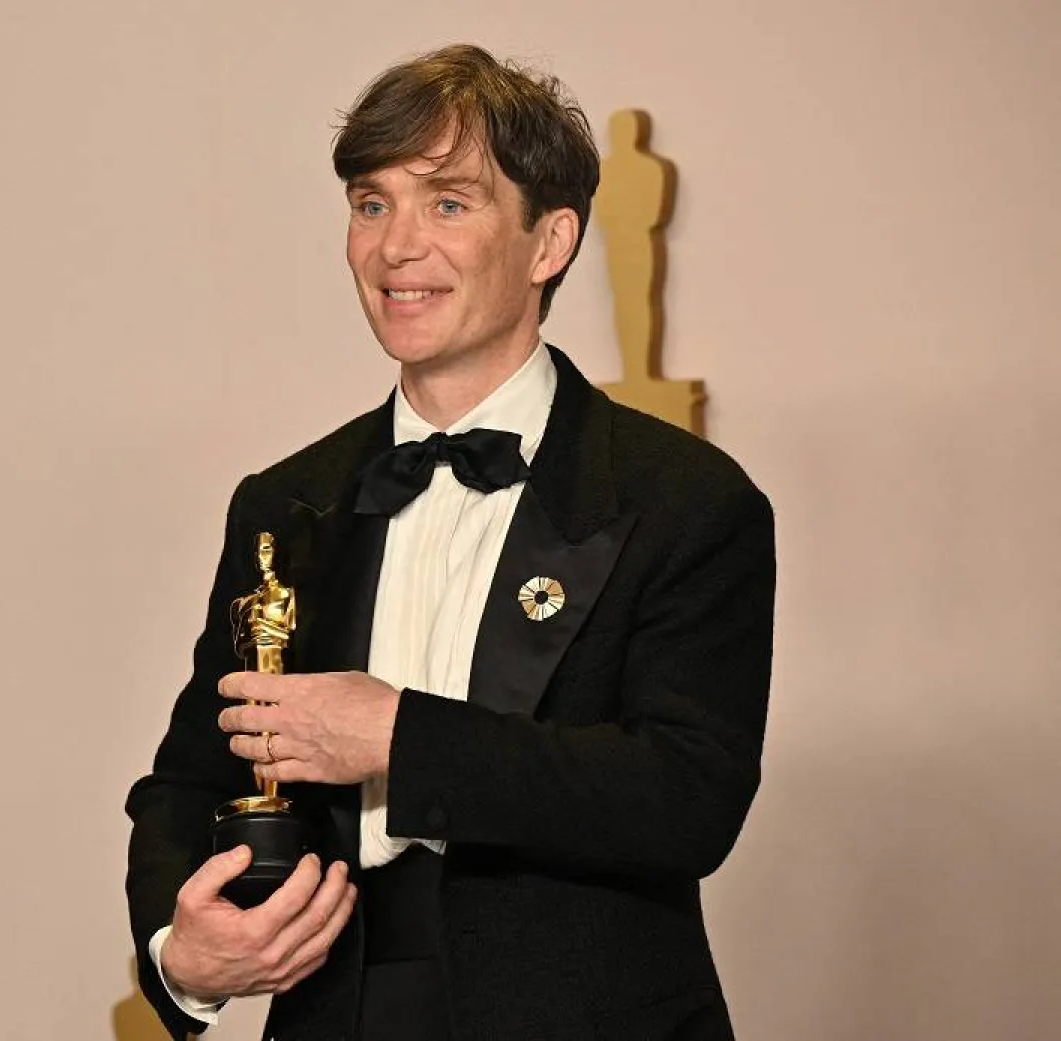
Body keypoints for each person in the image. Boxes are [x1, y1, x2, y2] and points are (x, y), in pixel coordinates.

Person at [125, 43, 775, 1041]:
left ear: (548, 241)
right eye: (372, 203)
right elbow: (192, 778)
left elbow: (687, 798)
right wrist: (184, 957)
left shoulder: (683, 499)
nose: (395, 248)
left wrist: (397, 738)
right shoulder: (285, 502)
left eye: (449, 204)